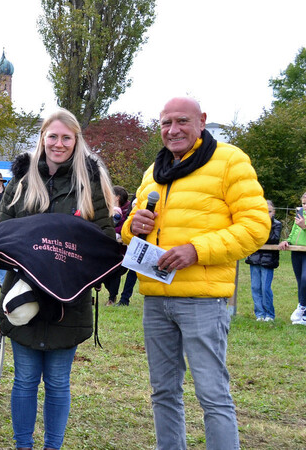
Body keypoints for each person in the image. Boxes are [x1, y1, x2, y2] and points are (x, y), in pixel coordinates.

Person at [121, 97, 270, 450]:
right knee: (163, 392)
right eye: (165, 123)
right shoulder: (153, 171)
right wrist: (132, 225)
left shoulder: (230, 161)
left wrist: (197, 250)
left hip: (203, 301)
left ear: (202, 121)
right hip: (156, 299)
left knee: (212, 395)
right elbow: (131, 233)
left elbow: (256, 226)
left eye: (182, 121)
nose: (173, 130)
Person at [0, 108, 115, 450]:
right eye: (52, 136)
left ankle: (53, 447)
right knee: (25, 381)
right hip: (22, 298)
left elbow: (104, 240)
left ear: (76, 141)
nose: (58, 143)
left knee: (59, 383)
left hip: (69, 300)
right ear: (42, 139)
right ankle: (23, 446)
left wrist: (70, 264)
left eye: (66, 137)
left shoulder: (88, 183)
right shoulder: (21, 180)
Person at [245, 200, 281, 321]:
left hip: (268, 259)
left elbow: (274, 239)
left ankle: (269, 314)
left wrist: (264, 228)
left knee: (265, 288)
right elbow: (251, 238)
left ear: (273, 212)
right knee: (255, 287)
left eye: (269, 212)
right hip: (255, 257)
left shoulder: (277, 224)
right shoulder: (254, 224)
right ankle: (259, 314)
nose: (266, 214)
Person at [279, 191, 306, 325]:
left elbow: (302, 229)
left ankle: (302, 307)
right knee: (300, 283)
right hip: (296, 252)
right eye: (303, 203)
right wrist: (287, 241)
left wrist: (305, 226)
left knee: (305, 280)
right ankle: (303, 314)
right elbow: (294, 232)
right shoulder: (299, 215)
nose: (305, 206)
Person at [103, 185, 130, 306]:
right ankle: (112, 295)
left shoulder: (126, 211)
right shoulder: (108, 209)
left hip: (123, 252)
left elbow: (125, 227)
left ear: (117, 197)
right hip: (108, 249)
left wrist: (114, 231)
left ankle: (112, 298)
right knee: (104, 274)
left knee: (115, 272)